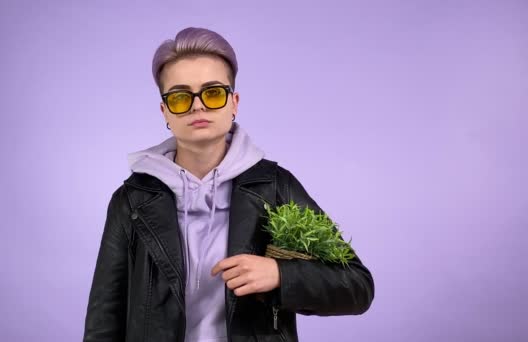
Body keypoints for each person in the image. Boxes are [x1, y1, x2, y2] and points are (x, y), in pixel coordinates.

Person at [83, 27, 374, 342]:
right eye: (181, 97)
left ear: (234, 103)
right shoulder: (133, 199)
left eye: (213, 92)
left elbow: (357, 287)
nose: (198, 106)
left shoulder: (273, 186)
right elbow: (104, 320)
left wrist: (280, 275)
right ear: (165, 110)